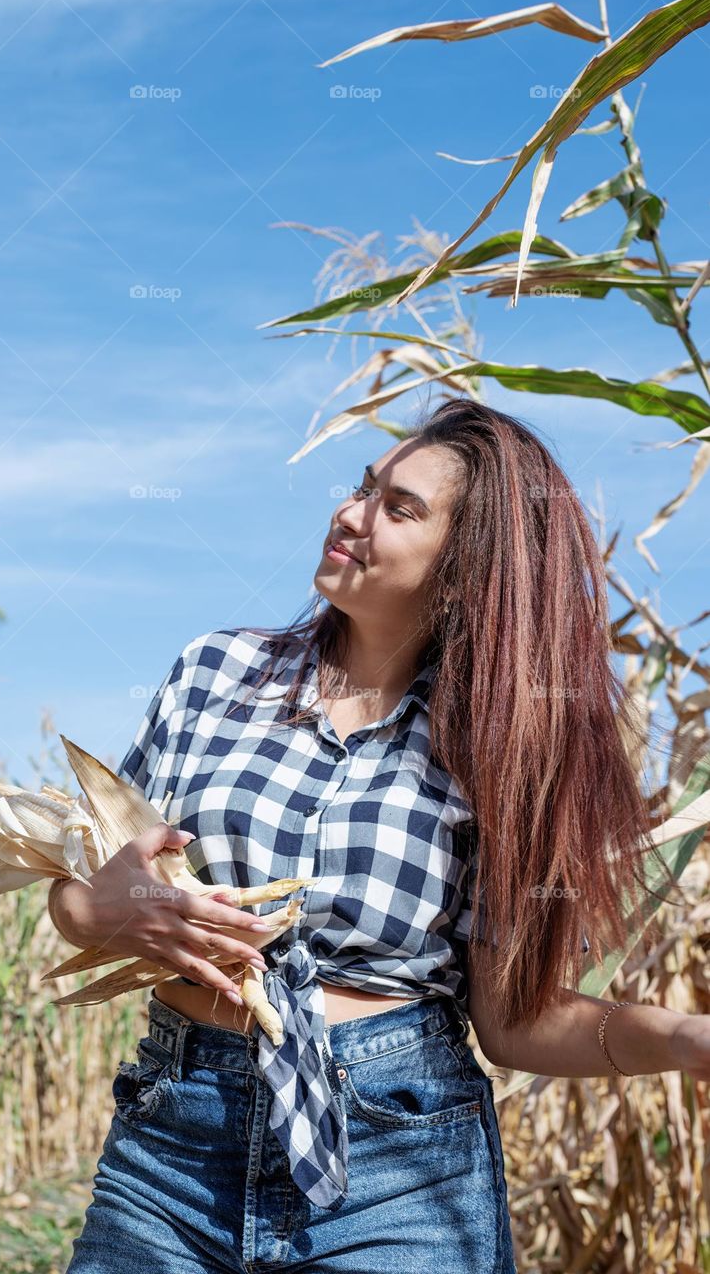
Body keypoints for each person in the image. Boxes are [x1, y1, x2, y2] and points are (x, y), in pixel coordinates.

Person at [52, 398, 710, 1273]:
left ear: (467, 569)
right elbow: (74, 892)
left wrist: (680, 1041)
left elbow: (514, 1024)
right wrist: (99, 909)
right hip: (175, 1139)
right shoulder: (217, 671)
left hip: (400, 1157)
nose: (352, 513)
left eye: (399, 508)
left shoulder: (505, 750)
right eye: (365, 488)